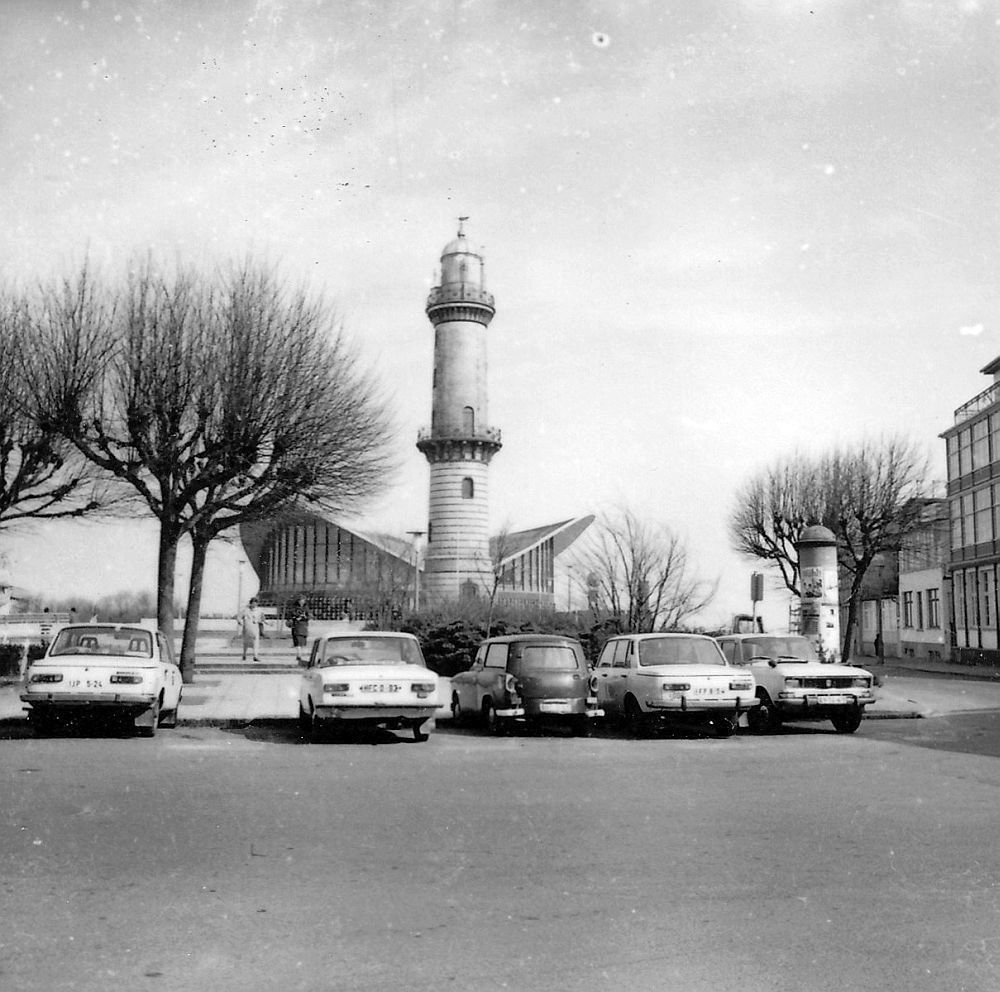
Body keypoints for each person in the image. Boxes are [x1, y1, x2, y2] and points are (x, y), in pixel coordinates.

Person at [286, 596, 311, 662]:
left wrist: (304, 617)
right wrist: (295, 618)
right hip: (296, 626)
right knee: (297, 641)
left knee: (302, 642)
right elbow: (290, 616)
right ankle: (299, 655)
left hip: (304, 626)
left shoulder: (306, 608)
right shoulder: (294, 608)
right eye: (300, 600)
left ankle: (300, 654)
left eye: (303, 600)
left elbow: (309, 616)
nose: (302, 602)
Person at [238, 597, 263, 662]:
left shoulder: (259, 611)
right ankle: (244, 655)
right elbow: (239, 617)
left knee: (256, 643)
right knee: (246, 643)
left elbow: (262, 619)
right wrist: (240, 622)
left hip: (255, 628)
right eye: (253, 603)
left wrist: (264, 622)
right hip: (247, 629)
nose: (254, 605)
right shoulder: (245, 610)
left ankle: (255, 656)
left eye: (256, 603)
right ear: (250, 603)